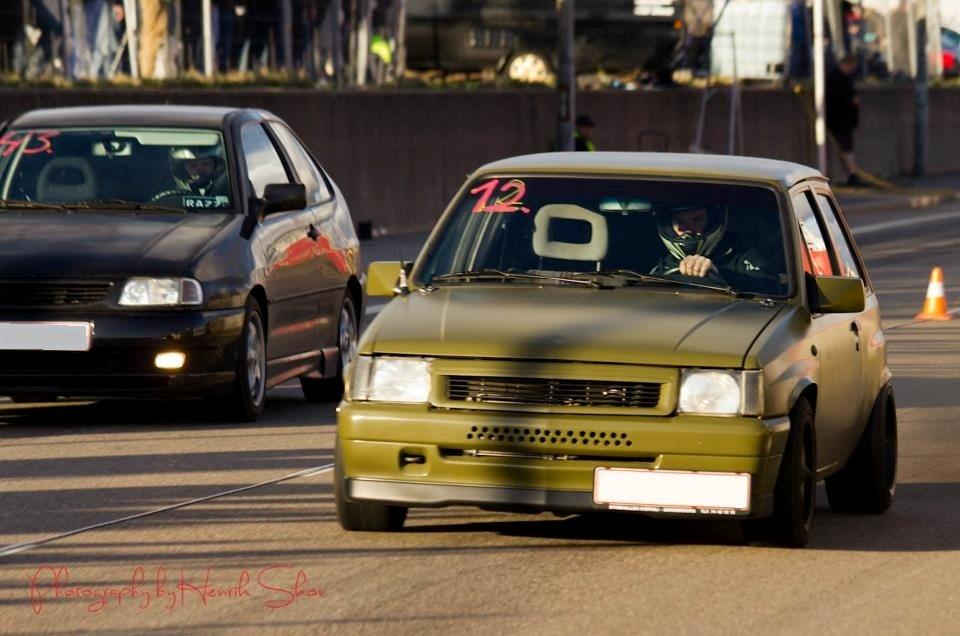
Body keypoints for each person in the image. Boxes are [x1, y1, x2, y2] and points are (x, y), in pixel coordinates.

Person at [650, 205, 777, 292]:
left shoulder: (744, 258)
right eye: (679, 221)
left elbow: (771, 290)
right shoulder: (664, 265)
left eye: (697, 220)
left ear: (712, 221)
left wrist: (721, 274)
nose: (688, 230)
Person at [826, 55, 861, 186]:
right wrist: (852, 101)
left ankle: (850, 175)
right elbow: (837, 99)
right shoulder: (836, 78)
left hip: (844, 121)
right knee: (844, 148)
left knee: (846, 148)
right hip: (840, 121)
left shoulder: (843, 78)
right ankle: (849, 175)